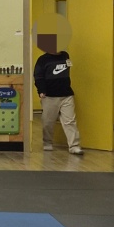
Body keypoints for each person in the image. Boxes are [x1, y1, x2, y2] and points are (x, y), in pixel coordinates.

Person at [33, 26, 82, 154]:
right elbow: (38, 76)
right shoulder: (43, 60)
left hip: (66, 94)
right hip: (49, 96)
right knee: (48, 122)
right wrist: (41, 90)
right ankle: (47, 142)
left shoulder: (65, 55)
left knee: (70, 121)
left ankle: (74, 146)